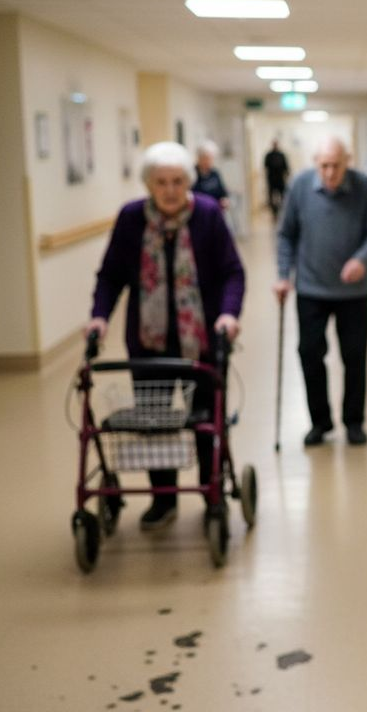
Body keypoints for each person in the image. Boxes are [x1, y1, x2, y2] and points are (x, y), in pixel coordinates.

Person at [88, 141, 245, 530]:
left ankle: (210, 493)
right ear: (148, 184)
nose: (170, 190)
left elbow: (232, 272)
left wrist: (228, 314)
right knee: (154, 421)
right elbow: (110, 275)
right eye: (161, 182)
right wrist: (99, 318)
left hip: (202, 341)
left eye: (177, 181)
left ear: (188, 182)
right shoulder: (131, 220)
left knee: (206, 420)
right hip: (148, 341)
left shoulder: (207, 215)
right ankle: (164, 500)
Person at [273, 137, 367, 447]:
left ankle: (353, 422)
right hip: (310, 288)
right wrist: (283, 276)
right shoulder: (299, 187)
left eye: (336, 165)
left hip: (353, 292)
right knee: (309, 353)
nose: (330, 172)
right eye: (324, 165)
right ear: (315, 163)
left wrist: (361, 259)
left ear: (347, 161)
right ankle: (319, 422)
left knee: (354, 357)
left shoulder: (363, 187)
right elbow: (286, 235)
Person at [191, 140, 229, 209]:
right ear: (199, 158)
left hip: (215, 210)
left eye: (211, 158)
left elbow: (223, 192)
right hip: (199, 210)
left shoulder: (215, 174)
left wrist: (224, 200)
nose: (208, 161)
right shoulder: (192, 174)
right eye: (206, 158)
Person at [263, 139, 289, 221]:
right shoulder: (268, 155)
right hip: (271, 180)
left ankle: (283, 213)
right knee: (271, 198)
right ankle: (274, 214)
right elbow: (265, 166)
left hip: (280, 180)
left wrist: (287, 175)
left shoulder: (281, 155)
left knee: (283, 197)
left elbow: (286, 166)